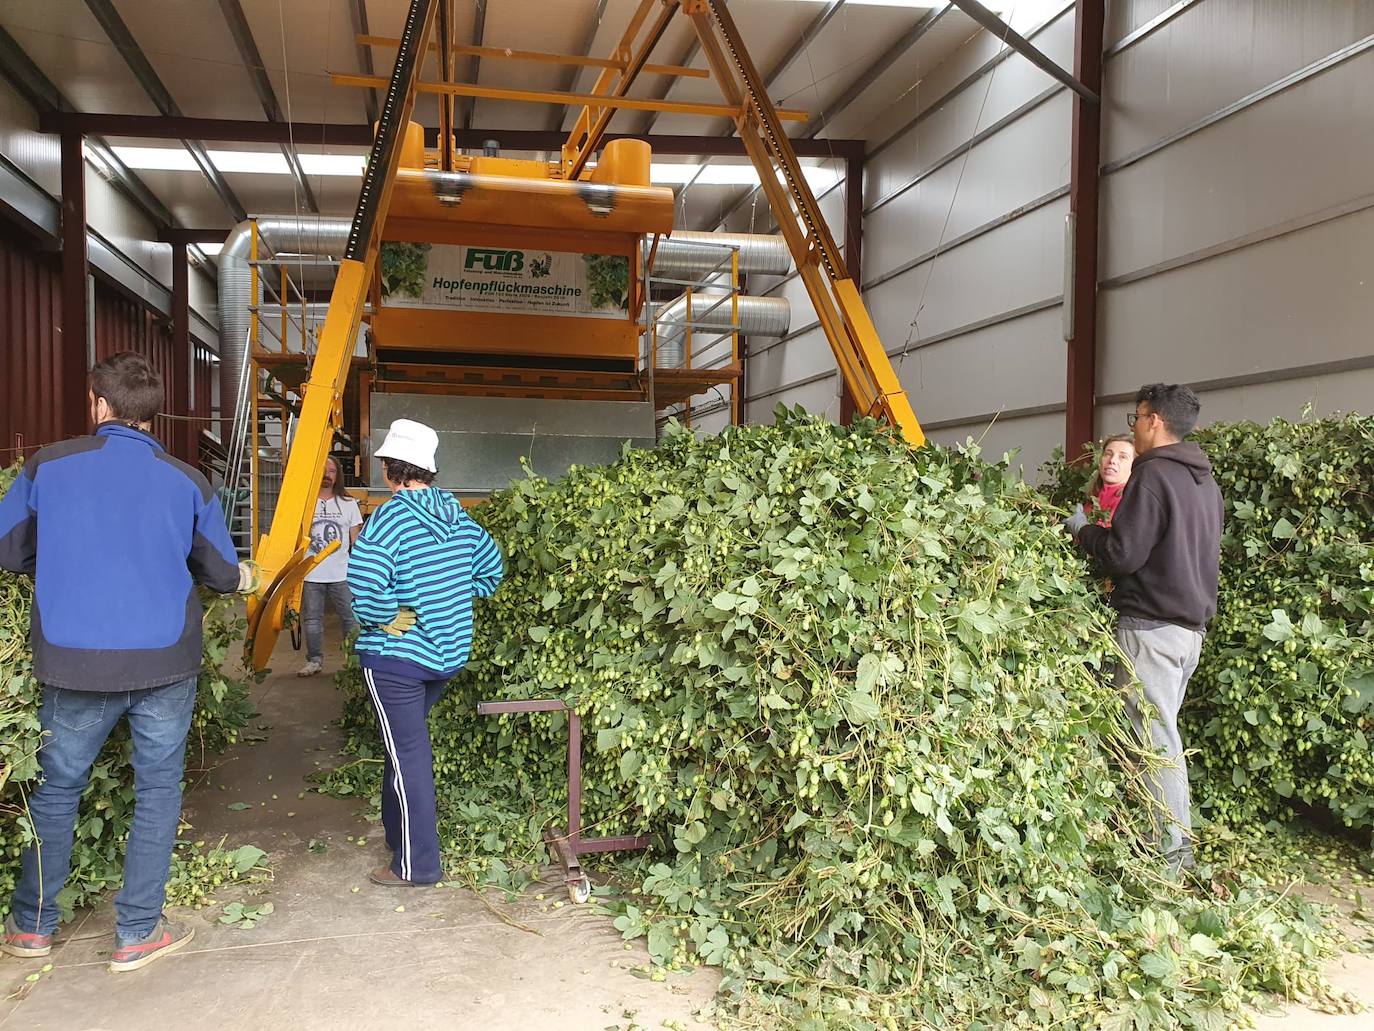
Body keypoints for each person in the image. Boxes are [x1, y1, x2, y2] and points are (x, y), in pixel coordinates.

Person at [0, 352, 255, 971]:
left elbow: (9, 549)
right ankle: (138, 933)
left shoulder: (47, 466)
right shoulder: (190, 481)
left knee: (58, 790)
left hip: (72, 661)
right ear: (151, 414)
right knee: (158, 791)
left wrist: (59, 568)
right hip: (165, 663)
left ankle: (32, 928)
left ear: (99, 405)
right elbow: (221, 574)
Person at [1064, 384, 1223, 871]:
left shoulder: (1153, 477)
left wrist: (1081, 531)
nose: (1132, 425)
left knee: (1156, 746)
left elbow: (1123, 554)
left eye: (1136, 417)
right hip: (1189, 631)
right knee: (1155, 738)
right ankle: (1148, 841)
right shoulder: (1205, 484)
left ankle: (1174, 860)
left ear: (1154, 420)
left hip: (1150, 626)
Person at [347, 419, 504, 887]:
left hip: (398, 660)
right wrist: (452, 599)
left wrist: (381, 617)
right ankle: (399, 842)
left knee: (409, 760)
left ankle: (417, 867)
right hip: (445, 658)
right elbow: (490, 570)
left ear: (390, 468)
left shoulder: (391, 517)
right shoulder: (455, 514)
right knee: (403, 755)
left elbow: (363, 582)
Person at [299, 455, 363, 677]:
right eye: (323, 470)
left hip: (342, 573)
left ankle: (355, 663)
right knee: (312, 620)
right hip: (310, 573)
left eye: (332, 470)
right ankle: (314, 661)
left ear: (338, 476)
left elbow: (357, 541)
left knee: (351, 618)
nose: (327, 474)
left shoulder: (349, 504)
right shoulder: (303, 504)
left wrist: (361, 570)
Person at [1086, 434, 1135, 527]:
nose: (1112, 460)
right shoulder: (1093, 495)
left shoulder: (1130, 501)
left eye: (1123, 457)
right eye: (1108, 454)